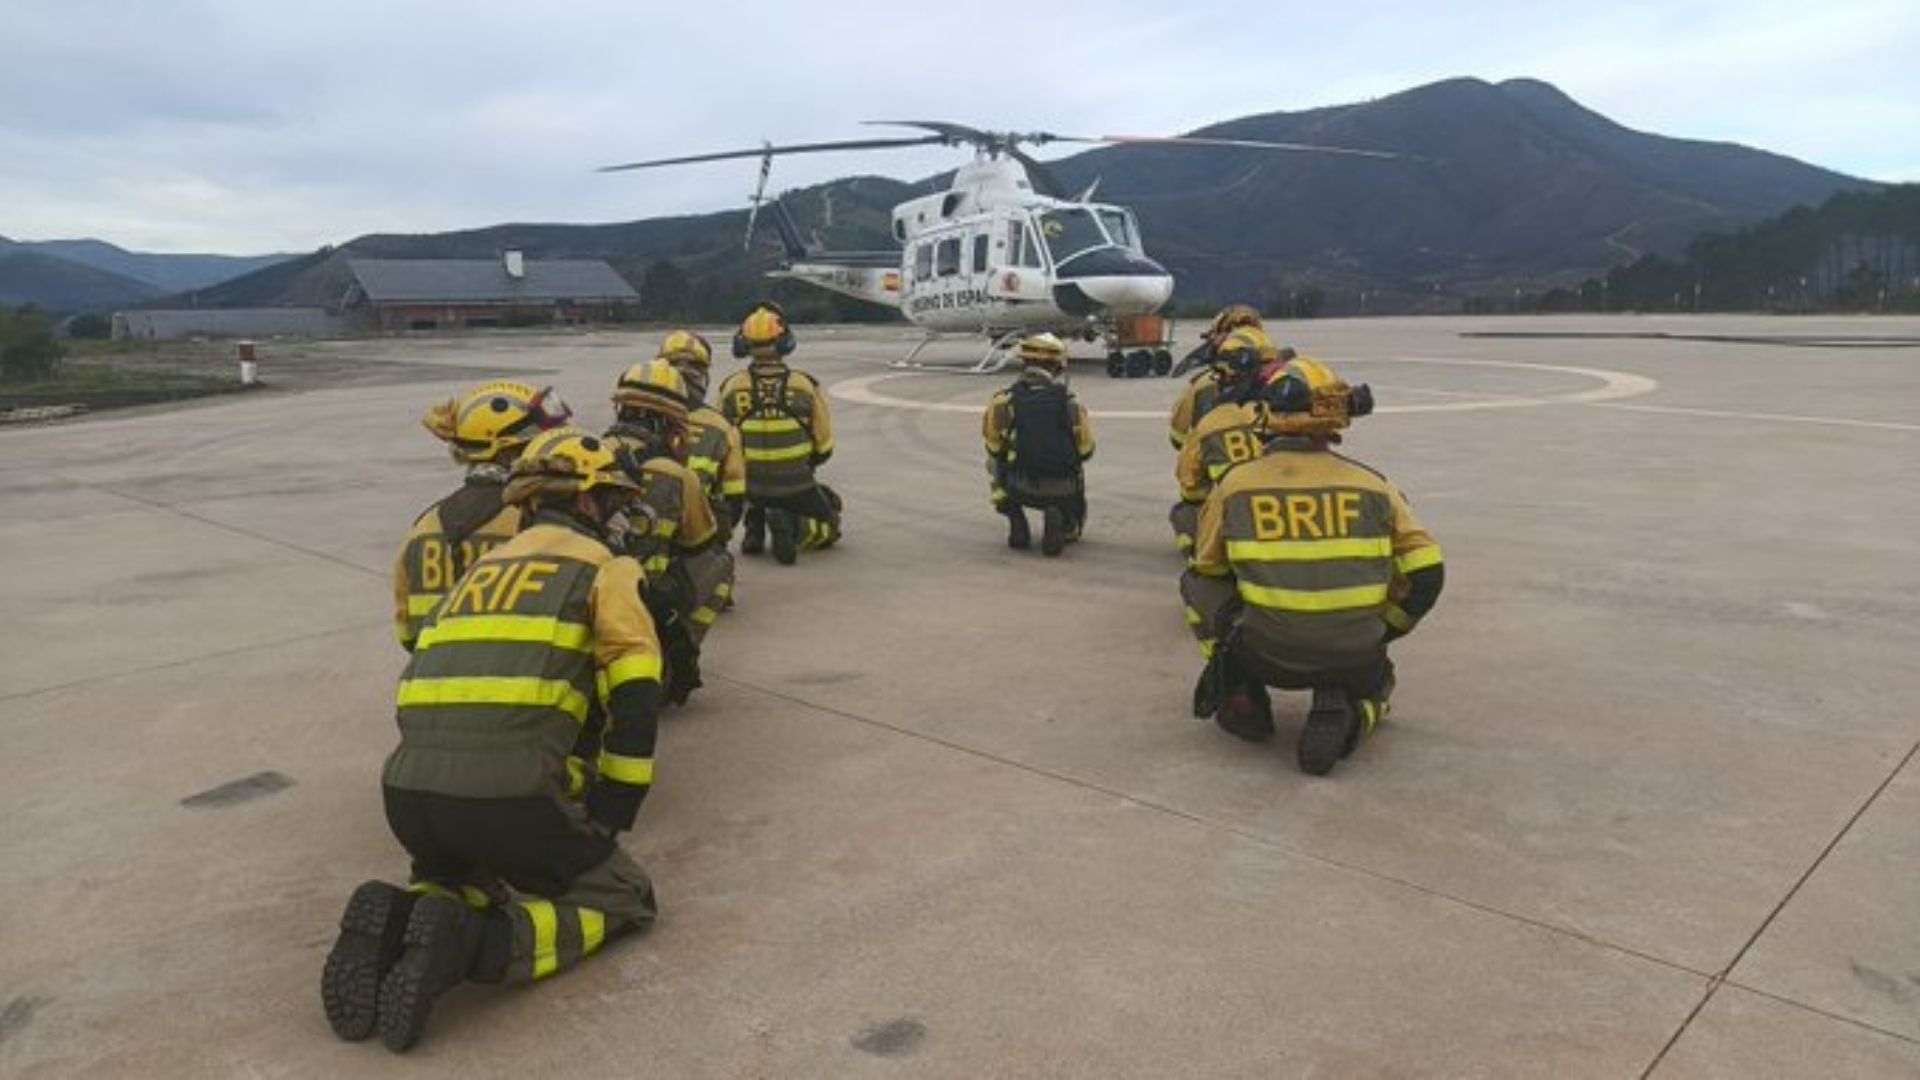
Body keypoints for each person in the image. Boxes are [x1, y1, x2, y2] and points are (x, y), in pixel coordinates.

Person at [322, 429, 664, 1052]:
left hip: (408, 798)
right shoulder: (605, 569)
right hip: (510, 798)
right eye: (612, 500)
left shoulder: (476, 573)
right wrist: (617, 804)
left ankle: (409, 914)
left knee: (463, 872)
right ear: (586, 503)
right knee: (624, 897)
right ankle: (473, 947)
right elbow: (638, 695)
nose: (618, 513)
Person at [1180, 359, 1444, 775]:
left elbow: (1208, 570)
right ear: (1336, 418)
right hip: (1356, 655)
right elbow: (1428, 573)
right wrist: (1385, 628)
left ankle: (1240, 691)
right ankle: (1355, 715)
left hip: (1266, 655)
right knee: (1379, 682)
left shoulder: (1236, 485)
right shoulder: (1375, 486)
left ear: (1269, 413)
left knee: (1195, 585)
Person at [393, 381, 571, 650]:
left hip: (431, 685)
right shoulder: (538, 524)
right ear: (508, 453)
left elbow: (407, 635)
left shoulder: (423, 528)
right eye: (538, 445)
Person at [606, 358, 725, 700]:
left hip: (590, 594)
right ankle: (676, 652)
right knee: (720, 568)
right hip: (648, 598)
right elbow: (701, 542)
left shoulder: (585, 453)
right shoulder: (674, 475)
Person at [716, 302, 841, 565]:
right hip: (797, 482)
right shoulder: (804, 385)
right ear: (785, 342)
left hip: (750, 486)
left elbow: (721, 443)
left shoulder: (730, 388)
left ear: (744, 344)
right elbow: (825, 445)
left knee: (754, 480)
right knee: (831, 523)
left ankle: (755, 526)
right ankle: (791, 523)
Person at [1168, 326, 1287, 558]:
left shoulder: (1209, 419)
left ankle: (1199, 551)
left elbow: (1188, 478)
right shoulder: (1284, 416)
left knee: (1185, 512)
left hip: (1231, 514)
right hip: (1279, 518)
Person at [982, 332, 1096, 555]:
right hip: (1065, 489)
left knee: (993, 462)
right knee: (1077, 467)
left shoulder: (1002, 402)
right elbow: (1086, 450)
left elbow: (994, 447)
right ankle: (1066, 523)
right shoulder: (1071, 405)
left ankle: (1015, 517)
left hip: (1020, 486)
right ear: (1058, 367)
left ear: (1024, 361)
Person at [657, 329, 747, 543]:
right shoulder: (721, 427)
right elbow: (735, 493)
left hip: (646, 527)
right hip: (699, 530)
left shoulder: (640, 416)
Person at [1168, 304, 1264, 451]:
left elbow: (1177, 438)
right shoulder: (1284, 380)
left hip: (1218, 468)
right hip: (1273, 469)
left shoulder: (1202, 385)